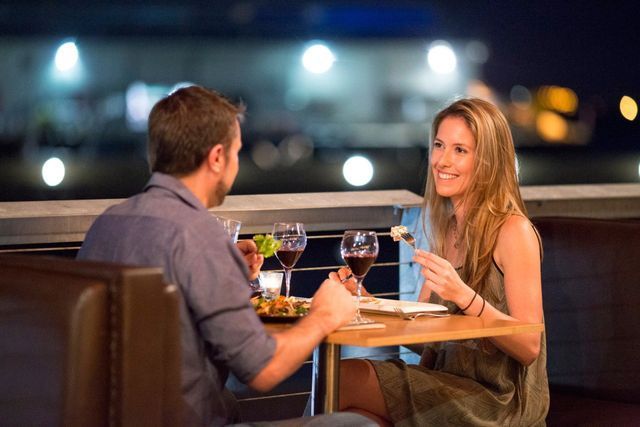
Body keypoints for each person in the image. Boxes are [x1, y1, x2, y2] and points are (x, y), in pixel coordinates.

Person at [77, 85, 364, 426]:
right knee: (358, 424)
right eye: (237, 152)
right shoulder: (198, 234)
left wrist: (227, 271)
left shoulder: (108, 222)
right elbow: (262, 371)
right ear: (216, 157)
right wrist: (324, 315)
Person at [333, 98, 549, 426]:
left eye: (460, 150)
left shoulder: (513, 230)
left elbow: (529, 345)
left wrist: (466, 298)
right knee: (348, 405)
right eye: (439, 145)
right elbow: (425, 338)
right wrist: (366, 302)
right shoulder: (449, 229)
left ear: (488, 161)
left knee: (344, 378)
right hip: (447, 382)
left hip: (496, 401)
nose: (442, 160)